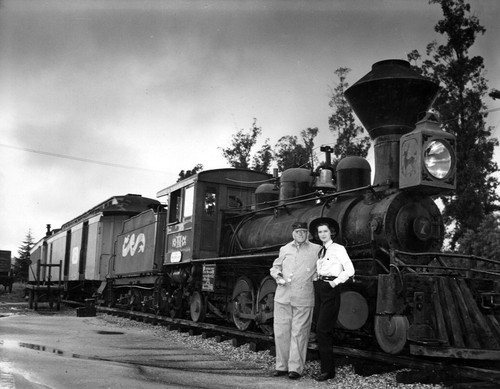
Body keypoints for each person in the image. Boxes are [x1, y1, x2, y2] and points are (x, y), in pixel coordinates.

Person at [269, 221, 321, 380]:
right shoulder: (284, 249)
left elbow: (322, 268)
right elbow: (275, 267)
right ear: (293, 233)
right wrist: (277, 276)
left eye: (303, 232)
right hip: (283, 296)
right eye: (298, 231)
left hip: (303, 297)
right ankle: (282, 367)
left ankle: (295, 369)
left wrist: (316, 275)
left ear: (308, 234)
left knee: (299, 333)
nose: (300, 234)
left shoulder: (316, 249)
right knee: (281, 332)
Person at [310, 217, 355, 382]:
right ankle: (326, 369)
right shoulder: (321, 251)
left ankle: (328, 371)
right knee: (320, 329)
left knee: (323, 330)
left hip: (330, 290)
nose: (322, 234)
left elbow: (349, 270)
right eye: (320, 232)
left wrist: (334, 283)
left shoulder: (338, 249)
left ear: (332, 233)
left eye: (325, 231)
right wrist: (317, 277)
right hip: (320, 287)